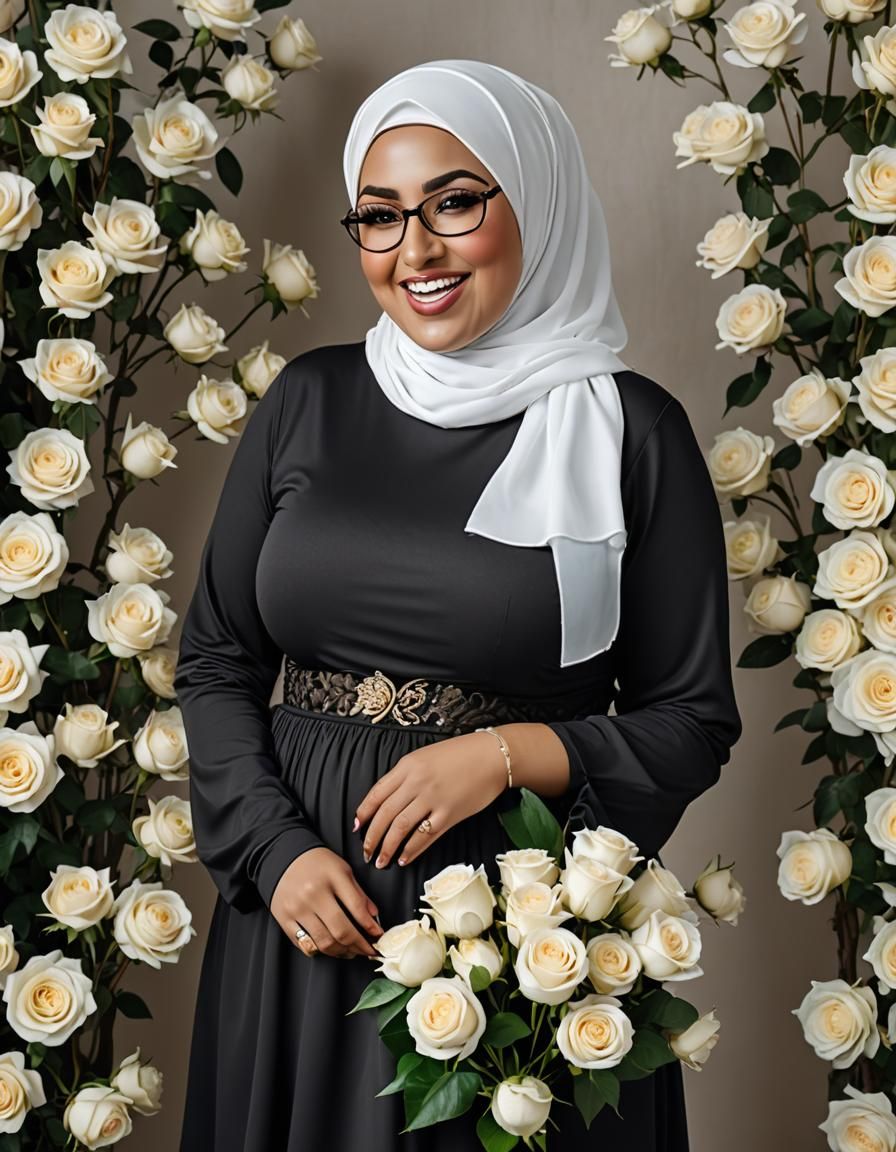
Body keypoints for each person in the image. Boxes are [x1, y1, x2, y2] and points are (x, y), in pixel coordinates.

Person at [175, 58, 742, 1152]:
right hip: (300, 911)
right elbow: (214, 658)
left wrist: (507, 756)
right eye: (379, 218)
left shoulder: (632, 431)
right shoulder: (308, 400)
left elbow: (689, 718)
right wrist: (272, 851)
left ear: (532, 200)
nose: (414, 252)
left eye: (453, 203)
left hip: (519, 933)